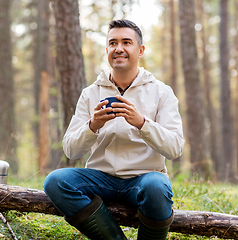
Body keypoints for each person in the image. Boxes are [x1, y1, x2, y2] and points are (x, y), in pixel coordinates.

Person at [43, 19, 184, 240]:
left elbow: (175, 148)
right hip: (100, 179)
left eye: (127, 42)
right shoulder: (90, 93)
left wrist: (142, 123)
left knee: (157, 186)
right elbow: (71, 150)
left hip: (143, 179)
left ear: (140, 50)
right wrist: (92, 126)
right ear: (107, 50)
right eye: (113, 43)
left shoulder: (162, 92)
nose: (119, 48)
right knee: (55, 181)